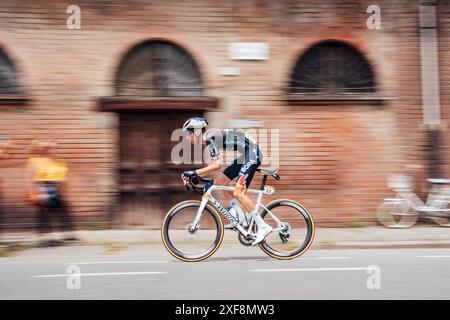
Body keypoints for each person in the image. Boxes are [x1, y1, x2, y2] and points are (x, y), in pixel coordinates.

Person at [181, 117, 273, 245]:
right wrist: (198, 175)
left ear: (196, 132)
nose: (186, 138)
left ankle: (263, 227)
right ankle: (241, 218)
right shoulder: (210, 137)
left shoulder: (210, 137)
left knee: (238, 192)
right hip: (246, 155)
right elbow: (215, 166)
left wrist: (194, 172)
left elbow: (216, 165)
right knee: (220, 183)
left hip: (253, 153)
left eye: (187, 133)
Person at [25, 139, 79, 245]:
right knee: (44, 213)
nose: (53, 150)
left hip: (56, 188)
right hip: (43, 187)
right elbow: (29, 177)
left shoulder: (60, 161)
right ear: (44, 149)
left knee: (64, 211)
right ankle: (46, 238)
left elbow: (63, 177)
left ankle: (69, 235)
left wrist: (63, 190)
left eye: (55, 148)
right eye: (49, 148)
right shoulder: (35, 160)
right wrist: (33, 192)